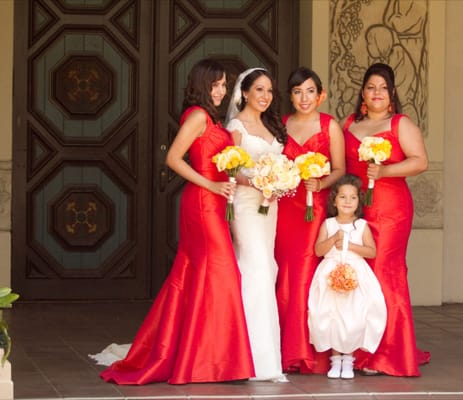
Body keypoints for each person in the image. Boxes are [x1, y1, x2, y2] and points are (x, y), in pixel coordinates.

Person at [98, 59, 255, 384]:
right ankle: (211, 360)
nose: (222, 91)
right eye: (216, 85)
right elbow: (171, 158)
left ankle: (203, 356)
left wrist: (257, 180)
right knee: (223, 272)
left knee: (198, 277)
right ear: (201, 85)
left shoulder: (209, 117)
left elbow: (223, 165)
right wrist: (210, 184)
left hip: (213, 200)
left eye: (224, 85)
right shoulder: (198, 116)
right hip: (201, 203)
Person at [343, 62, 430, 377]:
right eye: (370, 87)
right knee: (356, 272)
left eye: (382, 87)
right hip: (356, 209)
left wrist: (386, 171)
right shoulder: (350, 123)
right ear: (363, 93)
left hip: (391, 208)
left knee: (384, 272)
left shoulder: (400, 124)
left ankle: (387, 351)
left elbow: (421, 162)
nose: (376, 92)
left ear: (391, 92)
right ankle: (356, 346)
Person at [274, 67, 345, 374]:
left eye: (310, 92)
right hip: (284, 206)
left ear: (321, 95)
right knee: (281, 272)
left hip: (313, 208)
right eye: (297, 92)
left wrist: (322, 183)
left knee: (304, 271)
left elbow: (340, 168)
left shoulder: (330, 126)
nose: (304, 98)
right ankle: (277, 348)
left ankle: (303, 350)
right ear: (290, 96)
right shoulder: (281, 124)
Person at [225, 67, 288, 382]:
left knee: (269, 270)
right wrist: (256, 180)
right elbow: (229, 169)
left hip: (269, 208)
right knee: (256, 271)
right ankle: (252, 360)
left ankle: (263, 356)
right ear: (244, 92)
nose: (265, 96)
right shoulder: (237, 127)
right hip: (247, 206)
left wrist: (278, 181)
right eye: (259, 90)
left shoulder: (271, 126)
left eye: (269, 91)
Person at [307, 174, 387, 380]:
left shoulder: (361, 226)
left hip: (355, 274)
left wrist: (349, 245)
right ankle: (335, 361)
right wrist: (334, 239)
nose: (347, 202)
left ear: (359, 202)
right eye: (342, 197)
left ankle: (349, 361)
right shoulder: (328, 224)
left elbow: (371, 251)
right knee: (331, 315)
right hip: (330, 274)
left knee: (352, 317)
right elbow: (318, 250)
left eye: (352, 198)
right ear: (334, 200)